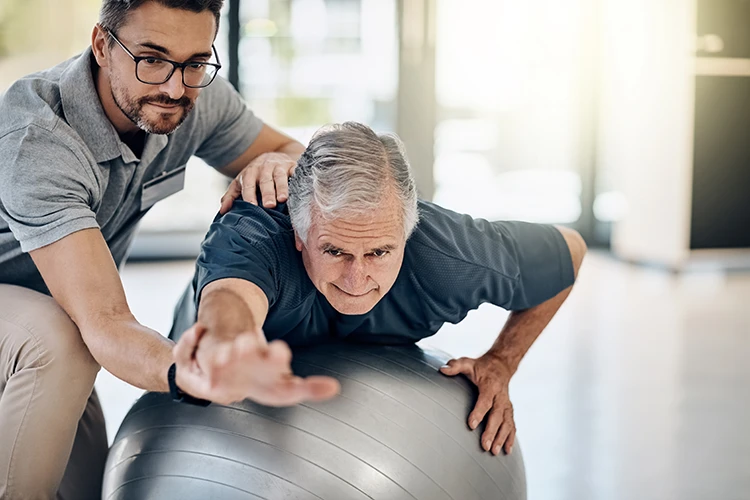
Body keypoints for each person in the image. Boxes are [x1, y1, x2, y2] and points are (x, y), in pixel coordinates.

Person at [0, 1, 310, 498]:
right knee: (59, 339)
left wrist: (274, 161)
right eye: (152, 59)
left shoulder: (194, 98)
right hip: (36, 318)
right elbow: (105, 322)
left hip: (59, 310)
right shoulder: (38, 141)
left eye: (194, 62)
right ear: (103, 46)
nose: (174, 86)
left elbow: (299, 155)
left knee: (80, 488)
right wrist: (193, 372)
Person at [172, 122, 587, 461]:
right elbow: (230, 300)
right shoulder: (254, 232)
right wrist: (230, 343)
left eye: (379, 252)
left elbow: (570, 250)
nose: (356, 280)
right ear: (298, 234)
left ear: (408, 233)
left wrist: (501, 361)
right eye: (334, 250)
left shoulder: (448, 254)